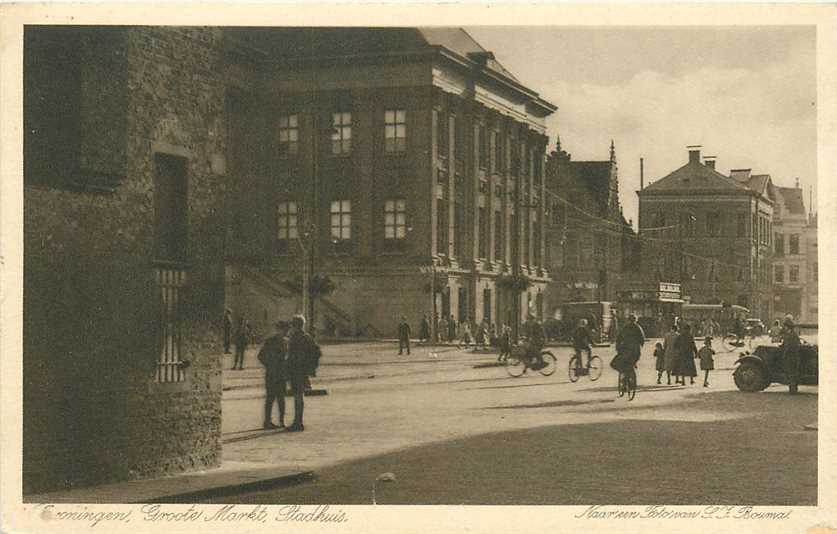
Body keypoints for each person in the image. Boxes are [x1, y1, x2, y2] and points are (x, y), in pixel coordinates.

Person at [286, 315, 321, 431]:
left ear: (295, 325)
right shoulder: (307, 337)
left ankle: (298, 422)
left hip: (296, 369)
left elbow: (291, 355)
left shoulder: (295, 337)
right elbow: (317, 352)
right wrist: (310, 367)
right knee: (299, 395)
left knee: (298, 396)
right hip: (302, 370)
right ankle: (298, 421)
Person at [258, 320, 290, 429]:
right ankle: (268, 421)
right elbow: (261, 356)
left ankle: (281, 420)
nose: (286, 332)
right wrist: (269, 365)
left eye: (287, 329)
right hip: (273, 373)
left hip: (280, 374)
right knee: (271, 398)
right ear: (279, 329)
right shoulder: (271, 341)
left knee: (281, 398)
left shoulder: (286, 342)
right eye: (284, 329)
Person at [615, 314, 645, 382]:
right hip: (635, 352)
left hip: (625, 351)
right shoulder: (638, 327)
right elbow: (642, 339)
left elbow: (618, 339)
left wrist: (618, 348)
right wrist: (640, 346)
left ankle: (624, 375)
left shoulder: (625, 328)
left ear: (628, 320)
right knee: (632, 363)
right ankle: (629, 374)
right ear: (635, 320)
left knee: (616, 363)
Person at [780, 316, 801, 394]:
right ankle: (792, 388)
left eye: (785, 326)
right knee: (790, 373)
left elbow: (791, 346)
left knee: (792, 373)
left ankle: (793, 389)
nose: (784, 328)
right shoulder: (790, 335)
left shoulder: (792, 335)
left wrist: (785, 353)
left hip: (792, 356)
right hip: (791, 356)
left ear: (787, 327)